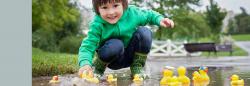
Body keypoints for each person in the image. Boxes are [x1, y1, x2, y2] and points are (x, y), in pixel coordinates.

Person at [78, 0, 174, 79]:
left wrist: (160, 19)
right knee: (116, 44)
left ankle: (137, 66)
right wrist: (85, 63)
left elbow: (149, 15)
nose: (111, 12)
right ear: (98, 10)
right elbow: (88, 45)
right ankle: (98, 69)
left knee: (145, 32)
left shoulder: (132, 13)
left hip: (131, 56)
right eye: (104, 7)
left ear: (124, 5)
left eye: (115, 5)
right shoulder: (97, 24)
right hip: (112, 58)